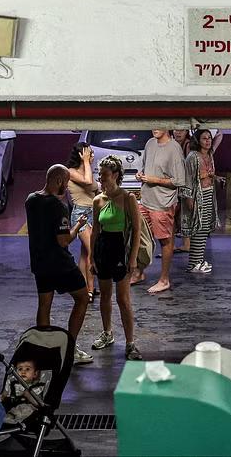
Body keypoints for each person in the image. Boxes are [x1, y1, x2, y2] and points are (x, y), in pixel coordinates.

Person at [26, 164, 93, 365]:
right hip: (61, 264)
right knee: (82, 298)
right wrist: (78, 226)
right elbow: (64, 241)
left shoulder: (30, 200)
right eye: (66, 182)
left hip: (40, 263)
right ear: (58, 181)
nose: (67, 186)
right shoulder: (58, 206)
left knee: (44, 306)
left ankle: (44, 350)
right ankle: (69, 349)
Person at [90, 155, 143, 361]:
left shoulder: (128, 198)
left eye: (104, 174)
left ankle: (130, 343)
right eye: (100, 174)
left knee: (123, 299)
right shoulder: (98, 200)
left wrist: (133, 258)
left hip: (121, 249)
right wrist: (93, 258)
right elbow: (95, 230)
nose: (101, 178)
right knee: (105, 295)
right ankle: (107, 333)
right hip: (103, 250)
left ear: (115, 175)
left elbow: (137, 230)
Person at [136, 129, 186, 293]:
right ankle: (138, 272)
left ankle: (164, 280)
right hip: (146, 199)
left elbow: (179, 180)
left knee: (165, 240)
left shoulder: (174, 148)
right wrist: (141, 175)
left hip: (162, 203)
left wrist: (154, 180)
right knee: (139, 236)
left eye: (159, 124)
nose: (155, 128)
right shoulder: (150, 143)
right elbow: (145, 168)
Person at [181, 129, 222, 274]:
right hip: (197, 195)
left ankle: (198, 260)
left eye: (209, 138)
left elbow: (209, 173)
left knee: (204, 229)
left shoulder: (209, 155)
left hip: (209, 193)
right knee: (198, 228)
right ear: (198, 140)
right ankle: (194, 264)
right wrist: (189, 198)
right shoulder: (192, 156)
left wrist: (215, 178)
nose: (208, 140)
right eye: (204, 138)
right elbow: (188, 178)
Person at [65, 142, 100, 298]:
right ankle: (90, 290)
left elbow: (95, 189)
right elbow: (87, 182)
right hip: (81, 215)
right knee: (92, 251)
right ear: (81, 155)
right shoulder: (70, 172)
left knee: (85, 253)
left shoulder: (88, 171)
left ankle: (85, 287)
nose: (92, 156)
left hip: (93, 213)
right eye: (89, 153)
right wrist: (86, 162)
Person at [0, 359, 44, 426]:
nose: (23, 372)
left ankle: (11, 420)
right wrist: (1, 397)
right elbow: (4, 395)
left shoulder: (36, 388)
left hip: (28, 411)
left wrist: (28, 395)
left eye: (27, 369)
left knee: (25, 408)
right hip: (11, 406)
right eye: (20, 369)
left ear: (35, 374)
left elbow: (40, 404)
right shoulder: (12, 383)